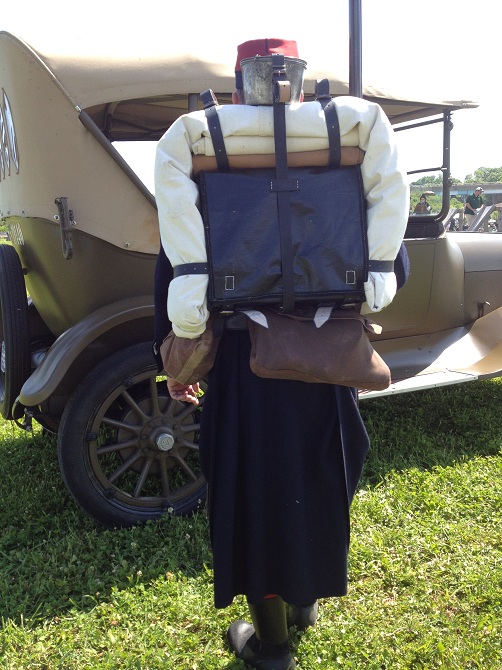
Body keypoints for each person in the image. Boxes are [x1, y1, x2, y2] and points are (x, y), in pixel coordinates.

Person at [155, 38, 409, 670]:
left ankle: (270, 648)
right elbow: (391, 262)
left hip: (247, 375)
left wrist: (179, 362)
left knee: (253, 497)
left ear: (239, 91)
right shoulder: (346, 162)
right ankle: (303, 602)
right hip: (326, 366)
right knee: (320, 482)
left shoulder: (206, 165)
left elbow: (173, 274)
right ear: (299, 86)